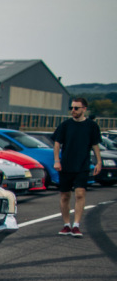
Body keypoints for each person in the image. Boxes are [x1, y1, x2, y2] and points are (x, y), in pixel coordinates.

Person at [53, 97, 103, 237]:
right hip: (66, 165)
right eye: (71, 108)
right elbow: (57, 144)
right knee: (65, 196)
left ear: (84, 109)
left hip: (83, 165)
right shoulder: (65, 125)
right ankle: (66, 225)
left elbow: (95, 145)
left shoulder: (92, 126)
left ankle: (76, 226)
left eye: (76, 108)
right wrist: (57, 160)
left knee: (80, 194)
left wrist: (99, 162)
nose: (73, 111)